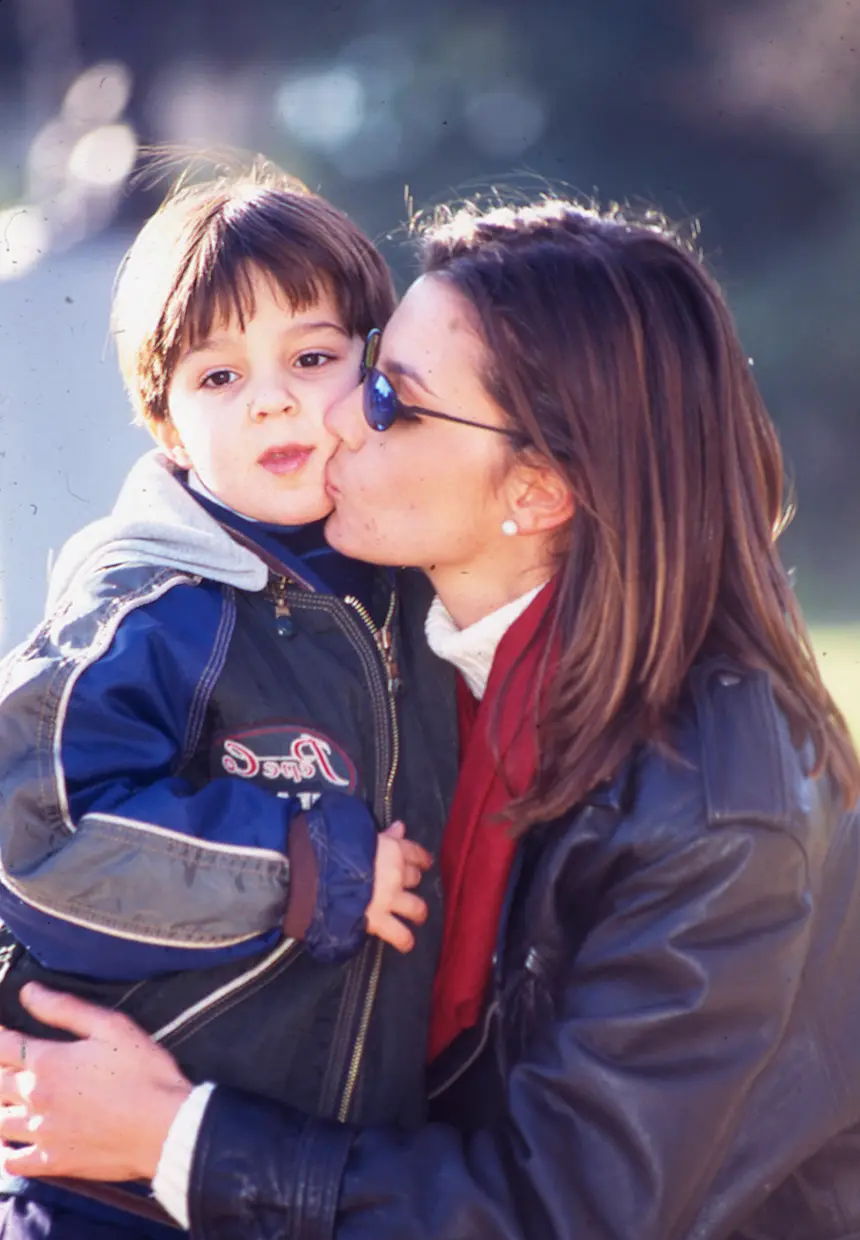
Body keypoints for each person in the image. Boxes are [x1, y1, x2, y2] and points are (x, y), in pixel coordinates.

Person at [1, 195, 859, 1240]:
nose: (325, 418)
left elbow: (561, 1212)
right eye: (370, 377)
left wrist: (173, 1136)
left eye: (386, 397)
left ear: (537, 488)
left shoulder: (713, 806)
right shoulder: (406, 653)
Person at [0, 166, 458, 1237]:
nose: (272, 398)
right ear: (163, 424)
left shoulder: (411, 585)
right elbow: (32, 833)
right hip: (108, 1188)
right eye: (217, 377)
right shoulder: (149, 604)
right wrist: (299, 868)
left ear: (377, 370)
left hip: (315, 1178)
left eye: (311, 357)